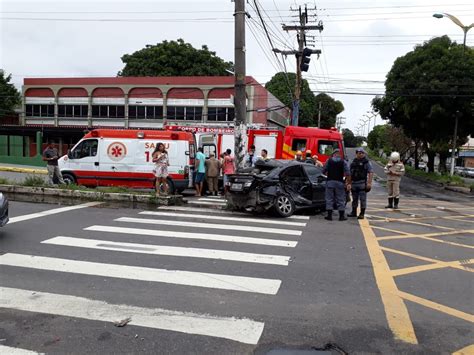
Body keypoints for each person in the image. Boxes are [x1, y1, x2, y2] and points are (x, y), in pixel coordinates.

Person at [322, 149, 351, 221]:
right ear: (339, 154)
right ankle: (341, 216)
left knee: (329, 199)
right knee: (340, 199)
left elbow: (323, 170)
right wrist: (348, 183)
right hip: (339, 183)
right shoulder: (343, 162)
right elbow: (348, 173)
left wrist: (327, 174)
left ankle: (329, 216)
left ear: (333, 154)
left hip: (330, 182)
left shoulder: (329, 161)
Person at [348, 147, 374, 219]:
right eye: (359, 153)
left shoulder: (366, 162)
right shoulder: (352, 162)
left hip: (362, 183)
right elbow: (349, 173)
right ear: (356, 154)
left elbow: (371, 172)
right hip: (354, 183)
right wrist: (348, 183)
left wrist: (369, 183)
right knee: (354, 198)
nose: (361, 154)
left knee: (363, 199)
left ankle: (362, 213)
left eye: (362, 153)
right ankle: (354, 212)